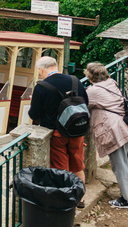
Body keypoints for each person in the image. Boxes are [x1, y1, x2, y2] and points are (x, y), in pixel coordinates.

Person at [84, 62, 128, 210]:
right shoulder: (112, 82)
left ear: (89, 76)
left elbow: (82, 102)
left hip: (116, 131)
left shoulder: (93, 91)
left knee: (121, 165)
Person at [28, 56, 88, 207]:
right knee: (78, 165)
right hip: (77, 130)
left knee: (61, 168)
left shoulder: (41, 87)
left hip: (57, 134)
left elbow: (33, 115)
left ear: (41, 70)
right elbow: (85, 103)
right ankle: (80, 199)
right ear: (56, 66)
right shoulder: (75, 81)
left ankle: (65, 200)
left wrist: (33, 101)